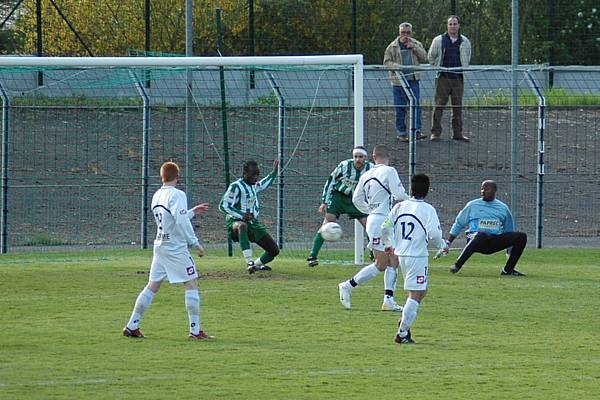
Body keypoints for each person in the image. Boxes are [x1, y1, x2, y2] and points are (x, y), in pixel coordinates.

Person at [123, 161, 214, 340]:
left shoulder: (157, 195)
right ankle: (195, 331)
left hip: (160, 245)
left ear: (162, 177)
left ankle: (132, 325)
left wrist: (192, 212)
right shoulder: (177, 194)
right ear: (178, 177)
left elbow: (173, 217)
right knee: (191, 283)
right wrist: (195, 243)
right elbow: (180, 221)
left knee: (152, 285)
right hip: (175, 247)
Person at [338, 145, 409, 311]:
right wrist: (409, 200)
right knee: (381, 263)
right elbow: (399, 195)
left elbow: (356, 199)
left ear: (373, 157)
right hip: (382, 221)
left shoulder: (367, 174)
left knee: (393, 260)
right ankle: (348, 285)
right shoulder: (389, 171)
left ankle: (388, 300)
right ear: (388, 156)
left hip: (374, 220)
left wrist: (370, 210)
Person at [381, 173, 447, 344]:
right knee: (416, 293)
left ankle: (405, 320)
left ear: (411, 188)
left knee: (421, 290)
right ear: (427, 190)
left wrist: (389, 244)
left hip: (401, 254)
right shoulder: (427, 209)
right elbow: (434, 232)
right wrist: (442, 245)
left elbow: (385, 226)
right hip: (417, 256)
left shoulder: (399, 207)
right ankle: (402, 332)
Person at [306, 146, 372, 267]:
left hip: (356, 200)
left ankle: (374, 254)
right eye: (355, 157)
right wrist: (324, 202)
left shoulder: (371, 168)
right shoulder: (344, 165)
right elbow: (331, 181)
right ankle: (312, 256)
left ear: (365, 158)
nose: (357, 159)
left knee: (370, 226)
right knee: (327, 223)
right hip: (339, 197)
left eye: (360, 157)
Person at [445, 180, 527, 276]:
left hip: (493, 240)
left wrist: (509, 250)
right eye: (482, 189)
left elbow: (508, 229)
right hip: (475, 239)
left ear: (494, 190)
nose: (483, 191)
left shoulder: (503, 208)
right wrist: (448, 242)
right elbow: (459, 223)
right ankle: (457, 265)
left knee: (521, 236)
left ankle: (508, 270)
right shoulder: (472, 205)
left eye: (486, 189)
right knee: (481, 234)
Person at [219, 159, 280, 274]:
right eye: (253, 174)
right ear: (245, 173)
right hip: (235, 222)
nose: (256, 177)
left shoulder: (254, 186)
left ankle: (256, 266)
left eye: (257, 174)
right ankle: (249, 261)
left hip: (253, 223)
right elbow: (223, 206)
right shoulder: (236, 186)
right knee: (242, 226)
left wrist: (274, 172)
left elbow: (264, 183)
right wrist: (242, 215)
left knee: (274, 251)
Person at [428, 15, 472, 142]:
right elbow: (431, 57)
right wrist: (438, 67)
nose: (453, 26)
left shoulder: (465, 41)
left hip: (458, 78)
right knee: (439, 106)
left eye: (455, 24)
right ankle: (435, 133)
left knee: (457, 107)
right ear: (447, 26)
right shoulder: (439, 40)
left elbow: (467, 58)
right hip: (442, 77)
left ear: (459, 25)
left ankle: (457, 133)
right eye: (450, 24)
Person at [383, 22, 428, 142]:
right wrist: (398, 67)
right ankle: (402, 133)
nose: (405, 35)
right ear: (399, 32)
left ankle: (416, 131)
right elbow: (386, 62)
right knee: (400, 108)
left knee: (416, 106)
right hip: (398, 82)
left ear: (411, 33)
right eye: (403, 32)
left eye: (408, 32)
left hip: (413, 79)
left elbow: (425, 57)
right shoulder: (392, 46)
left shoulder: (417, 44)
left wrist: (413, 47)